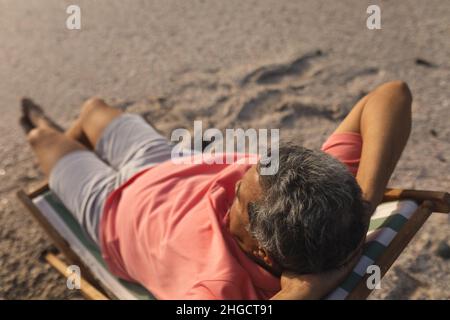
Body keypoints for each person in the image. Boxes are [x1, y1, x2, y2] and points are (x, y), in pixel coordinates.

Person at [20, 80, 412, 299]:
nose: (226, 190)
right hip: (167, 161)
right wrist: (364, 202)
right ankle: (75, 143)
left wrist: (298, 297)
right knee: (93, 107)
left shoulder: (220, 287)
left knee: (41, 137)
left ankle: (54, 136)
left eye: (238, 200)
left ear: (260, 250)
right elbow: (392, 94)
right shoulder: (327, 204)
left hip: (113, 210)